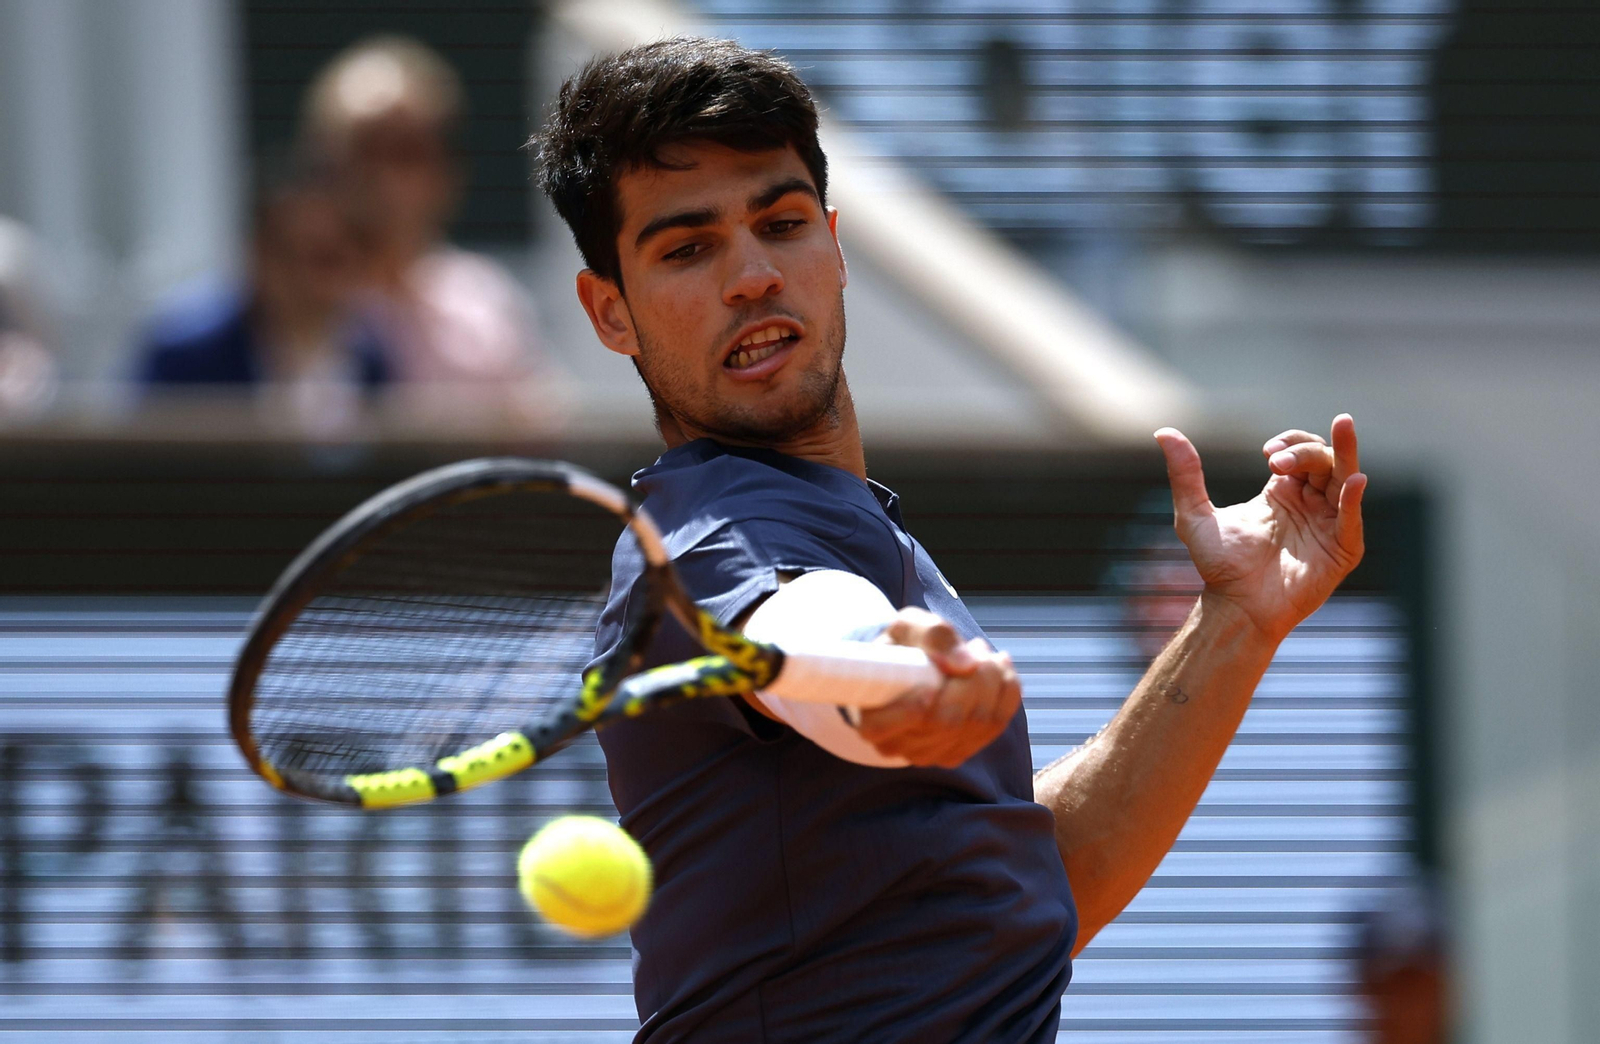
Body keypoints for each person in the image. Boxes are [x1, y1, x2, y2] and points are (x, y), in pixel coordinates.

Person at [534, 38, 1368, 1043]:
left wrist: (1235, 619)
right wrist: (891, 680)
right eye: (686, 248)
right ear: (608, 312)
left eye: (782, 223)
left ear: (835, 247)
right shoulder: (704, 534)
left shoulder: (847, 521)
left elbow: (1037, 888)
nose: (752, 275)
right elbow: (811, 639)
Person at [301, 36, 545, 399]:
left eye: (406, 153)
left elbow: (539, 433)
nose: (382, 179)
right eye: (365, 151)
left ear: (447, 171)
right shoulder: (275, 304)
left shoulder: (486, 303)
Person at [137, 159, 389, 433]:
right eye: (293, 254)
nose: (311, 277)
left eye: (331, 257)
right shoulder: (184, 357)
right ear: (258, 254)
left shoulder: (373, 361)